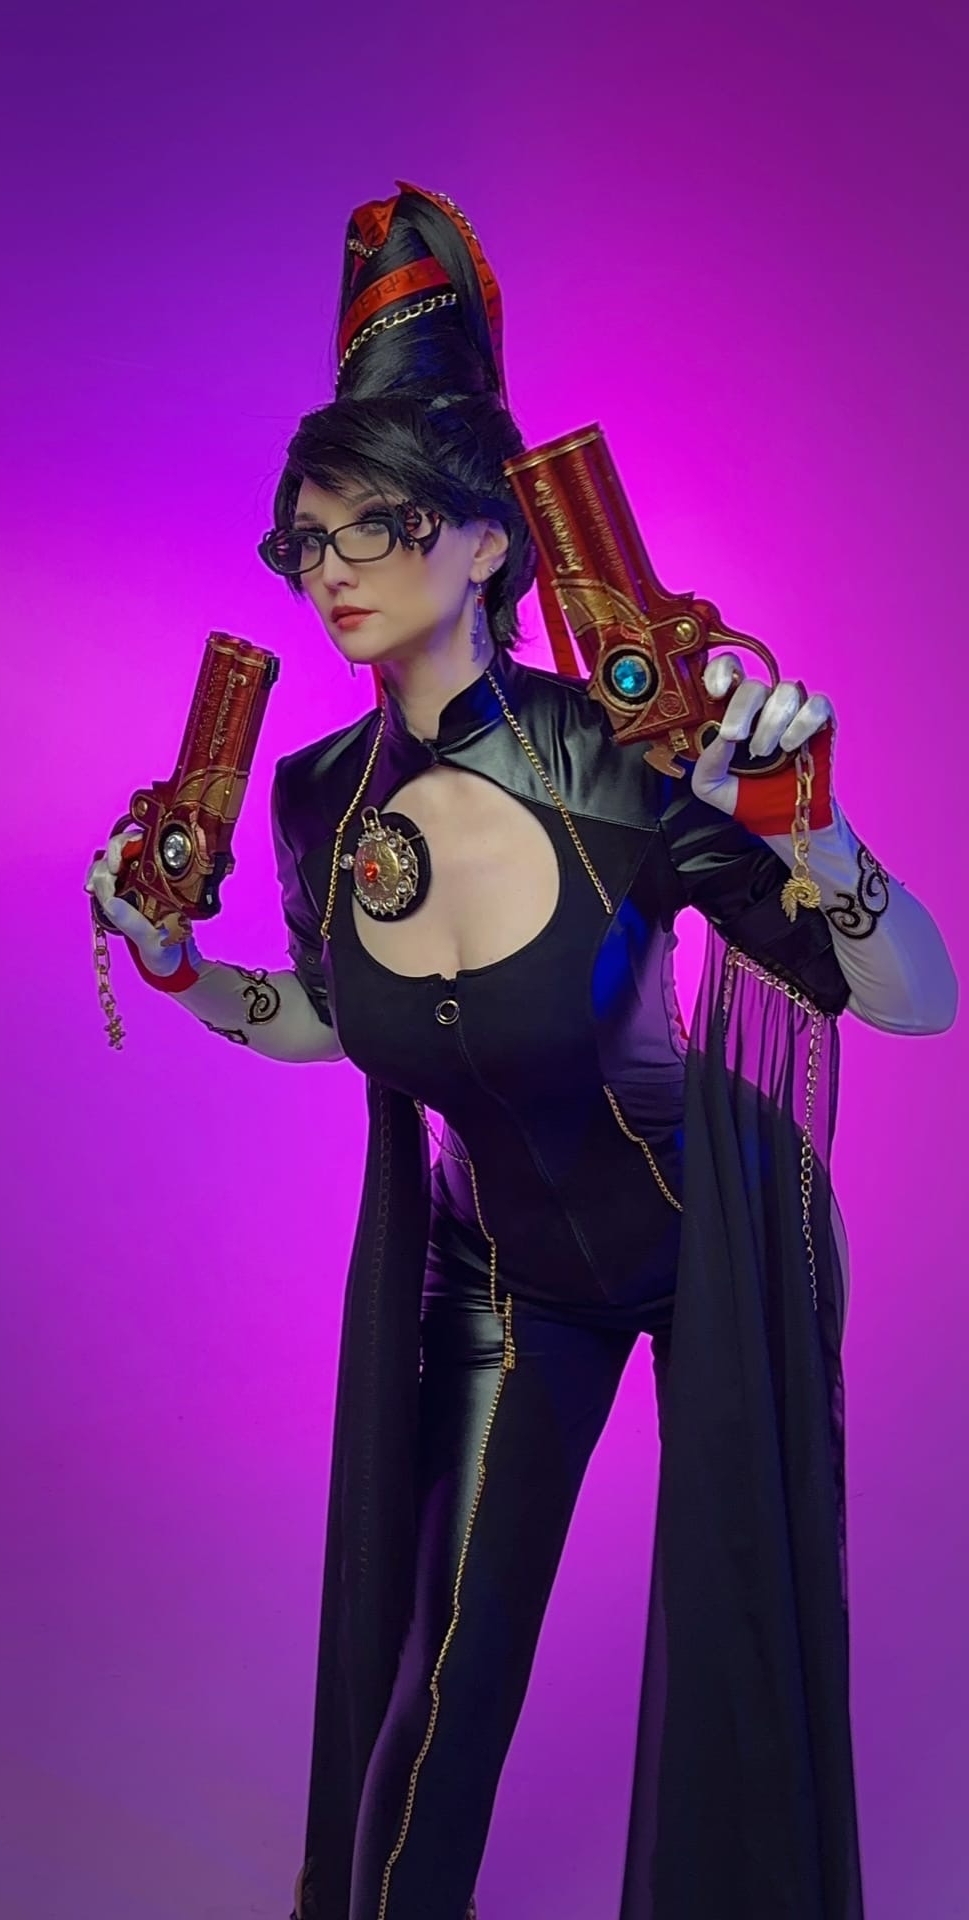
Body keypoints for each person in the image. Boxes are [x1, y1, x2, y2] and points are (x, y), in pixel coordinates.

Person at [84, 184, 957, 1920]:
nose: (334, 569)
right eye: (306, 541)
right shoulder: (316, 799)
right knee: (433, 1697)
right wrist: (178, 969)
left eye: (377, 525)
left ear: (488, 541)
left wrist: (815, 833)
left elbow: (918, 996)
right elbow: (334, 1017)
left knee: (734, 1662)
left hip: (713, 1247)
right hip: (505, 1279)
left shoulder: (634, 758)